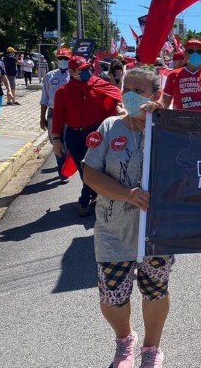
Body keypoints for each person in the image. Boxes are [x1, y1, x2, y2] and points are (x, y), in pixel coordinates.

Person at [83, 68, 170, 368]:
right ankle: (125, 341)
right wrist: (126, 193)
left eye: (140, 90)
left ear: (155, 95)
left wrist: (163, 121)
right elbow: (90, 173)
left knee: (155, 290)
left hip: (156, 232)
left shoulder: (167, 128)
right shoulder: (109, 127)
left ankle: (151, 348)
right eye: (126, 87)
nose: (131, 94)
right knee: (112, 296)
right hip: (112, 230)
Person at [52, 56, 123, 216]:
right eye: (82, 69)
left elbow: (115, 95)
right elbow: (58, 118)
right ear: (71, 71)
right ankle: (92, 193)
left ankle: (84, 199)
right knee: (82, 168)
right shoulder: (63, 93)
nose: (87, 72)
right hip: (73, 136)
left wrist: (117, 105)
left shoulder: (98, 85)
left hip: (95, 134)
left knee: (93, 167)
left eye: (87, 68)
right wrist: (57, 139)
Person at [40, 48, 73, 181]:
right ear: (57, 60)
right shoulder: (49, 76)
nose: (63, 61)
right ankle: (62, 171)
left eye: (66, 59)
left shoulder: (74, 75)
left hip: (70, 113)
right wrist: (42, 117)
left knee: (68, 142)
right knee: (56, 142)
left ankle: (67, 166)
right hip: (53, 113)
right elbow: (44, 99)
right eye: (61, 58)